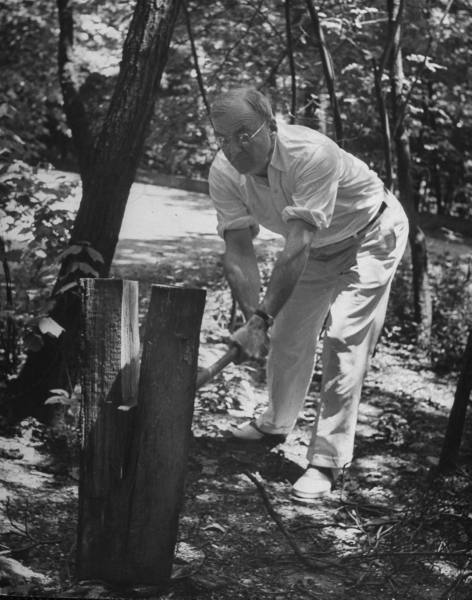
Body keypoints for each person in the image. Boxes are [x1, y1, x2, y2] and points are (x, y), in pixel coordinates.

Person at [208, 87, 409, 503]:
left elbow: (297, 242)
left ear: (272, 125)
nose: (234, 146)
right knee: (286, 336)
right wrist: (255, 322)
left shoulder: (311, 153)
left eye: (244, 132)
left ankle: (327, 460)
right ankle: (276, 423)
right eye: (223, 137)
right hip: (318, 248)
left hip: (371, 234)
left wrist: (261, 318)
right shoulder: (224, 174)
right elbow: (239, 251)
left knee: (344, 338)